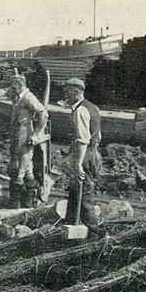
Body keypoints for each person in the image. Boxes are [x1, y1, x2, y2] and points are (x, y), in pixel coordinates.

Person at [63, 78, 103, 234]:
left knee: (84, 196)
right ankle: (70, 226)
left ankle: (95, 233)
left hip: (84, 156)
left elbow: (82, 140)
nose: (65, 94)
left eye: (67, 91)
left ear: (76, 91)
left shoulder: (81, 111)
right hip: (92, 154)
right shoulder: (94, 108)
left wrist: (79, 163)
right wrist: (93, 151)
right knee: (75, 192)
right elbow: (98, 135)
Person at [6, 74, 48, 208]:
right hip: (17, 136)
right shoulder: (18, 97)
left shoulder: (28, 97)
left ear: (19, 85)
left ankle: (15, 202)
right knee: (27, 169)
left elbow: (43, 113)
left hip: (25, 136)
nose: (12, 89)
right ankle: (29, 200)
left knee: (20, 169)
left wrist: (36, 134)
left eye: (13, 86)